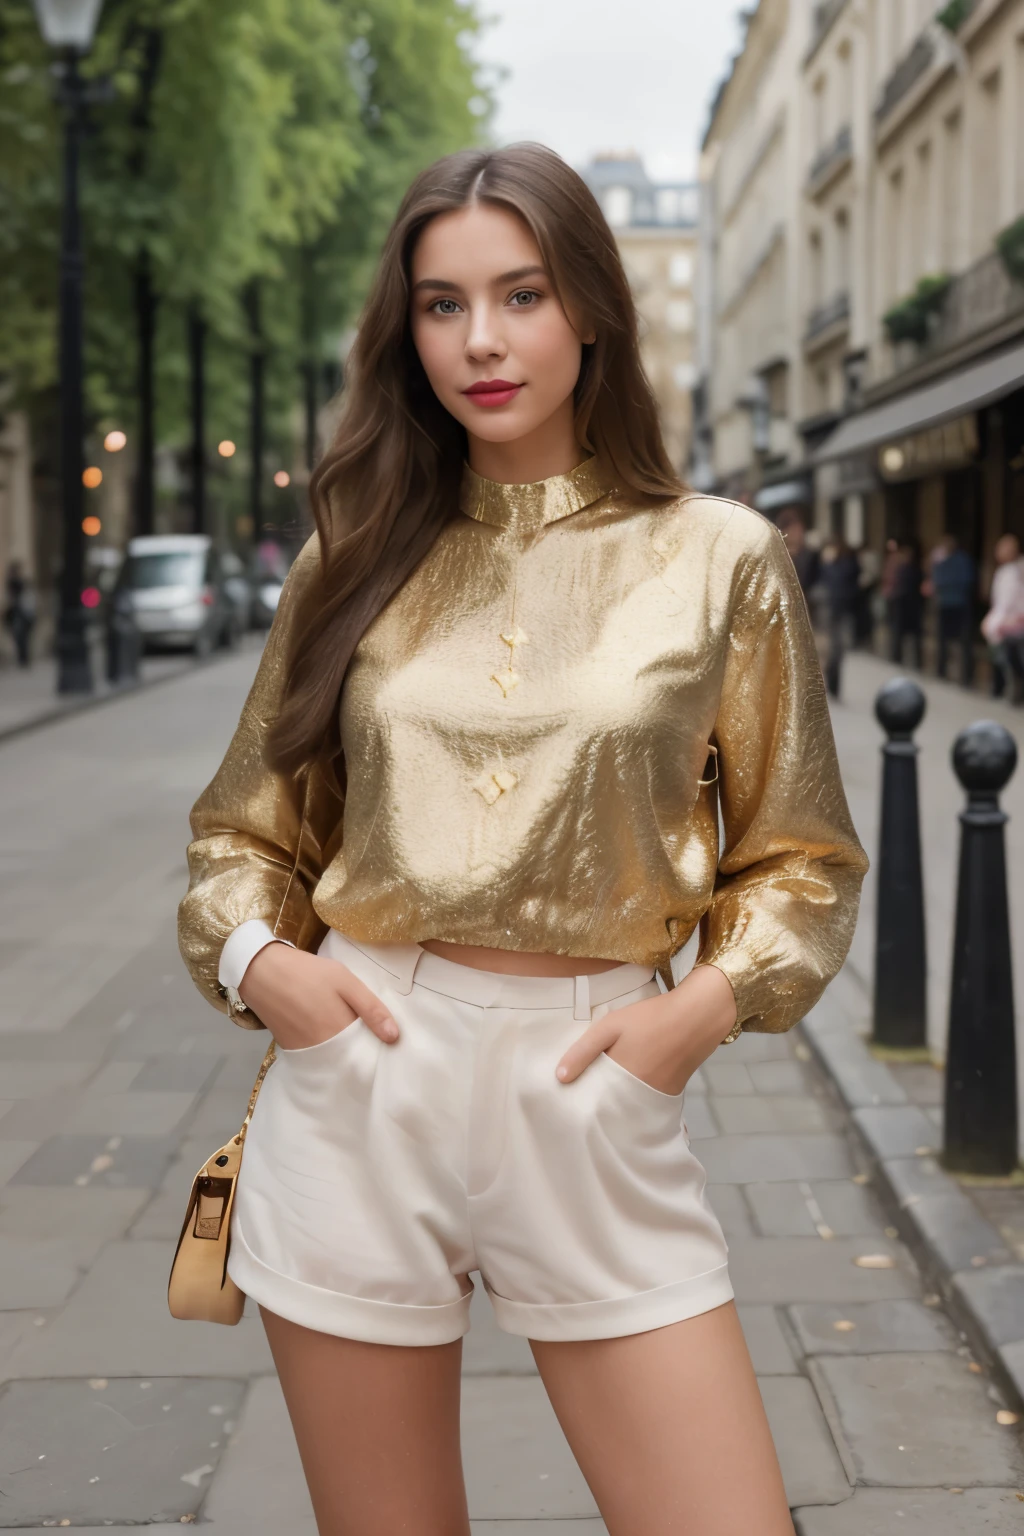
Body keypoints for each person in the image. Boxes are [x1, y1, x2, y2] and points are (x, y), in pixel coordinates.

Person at [178, 145, 868, 1536]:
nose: (481, 341)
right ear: (406, 327)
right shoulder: (350, 552)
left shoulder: (718, 555)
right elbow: (241, 834)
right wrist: (266, 967)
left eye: (522, 294)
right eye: (442, 304)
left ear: (591, 311)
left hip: (593, 1080)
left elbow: (801, 856)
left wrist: (702, 1012)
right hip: (363, 1072)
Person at [926, 534, 976, 685]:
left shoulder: (961, 560)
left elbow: (964, 580)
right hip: (945, 604)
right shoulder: (941, 561)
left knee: (964, 642)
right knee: (943, 640)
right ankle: (942, 671)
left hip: (958, 604)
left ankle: (966, 676)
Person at [981, 533, 1024, 703]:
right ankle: (1002, 688)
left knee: (1011, 659)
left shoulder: (1016, 571)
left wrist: (996, 622)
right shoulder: (1005, 571)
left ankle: (1010, 688)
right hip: (1005, 621)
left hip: (1014, 622)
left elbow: (1010, 602)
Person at [820, 537, 861, 698]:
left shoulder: (846, 565)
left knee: (837, 649)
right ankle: (831, 681)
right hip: (831, 610)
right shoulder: (834, 564)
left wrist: (828, 564)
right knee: (833, 648)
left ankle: (834, 683)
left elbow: (841, 582)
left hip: (841, 611)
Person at [884, 538, 924, 669]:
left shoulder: (906, 570)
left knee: (901, 634)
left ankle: (899, 658)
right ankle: (910, 660)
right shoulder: (911, 570)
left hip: (903, 606)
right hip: (908, 606)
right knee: (906, 636)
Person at [3, 560, 36, 668]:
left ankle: (23, 659)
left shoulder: (19, 582)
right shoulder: (15, 582)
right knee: (20, 638)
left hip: (21, 614)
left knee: (22, 638)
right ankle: (23, 659)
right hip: (18, 614)